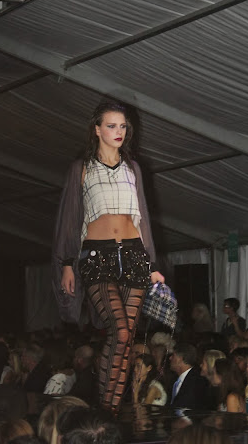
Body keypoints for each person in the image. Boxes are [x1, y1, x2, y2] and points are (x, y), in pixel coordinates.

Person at [53, 99, 164, 413]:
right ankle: (106, 408)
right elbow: (70, 219)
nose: (119, 131)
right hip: (97, 255)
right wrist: (67, 263)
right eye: (112, 125)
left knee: (127, 340)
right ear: (97, 129)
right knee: (121, 331)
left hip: (134, 254)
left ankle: (110, 412)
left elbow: (143, 219)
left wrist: (151, 265)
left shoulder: (133, 168)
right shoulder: (81, 168)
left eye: (123, 126)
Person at [169, 343, 210, 410]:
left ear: (180, 359)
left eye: (173, 355)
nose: (170, 358)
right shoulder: (174, 380)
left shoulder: (197, 381)